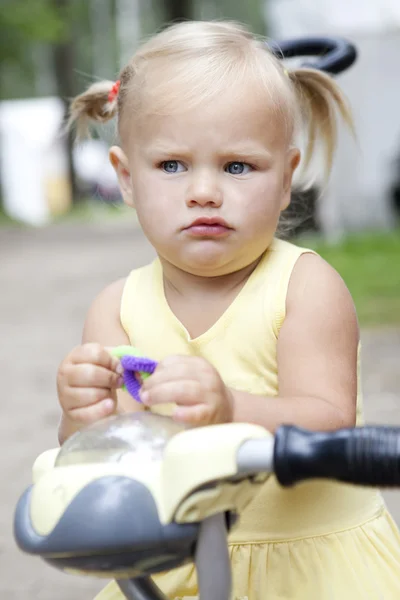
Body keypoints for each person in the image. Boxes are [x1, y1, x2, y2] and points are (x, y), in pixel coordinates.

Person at [56, 20, 400, 600]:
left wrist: (230, 407)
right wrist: (80, 418)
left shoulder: (303, 286)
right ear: (126, 178)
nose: (205, 191)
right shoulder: (117, 308)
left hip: (309, 567)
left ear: (287, 178)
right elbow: (105, 458)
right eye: (172, 165)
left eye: (237, 166)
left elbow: (329, 420)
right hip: (175, 566)